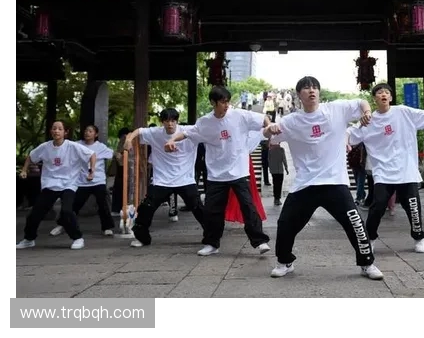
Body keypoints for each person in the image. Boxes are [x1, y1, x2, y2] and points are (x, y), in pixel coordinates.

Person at [264, 76, 383, 280]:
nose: (312, 90)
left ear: (319, 92)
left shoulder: (335, 110)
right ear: (298, 94)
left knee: (355, 223)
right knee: (285, 224)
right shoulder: (291, 121)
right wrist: (270, 129)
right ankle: (284, 261)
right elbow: (270, 138)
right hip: (305, 184)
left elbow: (361, 102)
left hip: (335, 182)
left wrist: (367, 112)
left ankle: (367, 263)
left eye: (315, 87)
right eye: (306, 88)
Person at [165, 86, 271, 256]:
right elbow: (187, 133)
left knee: (248, 206)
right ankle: (211, 244)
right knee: (212, 211)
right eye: (222, 102)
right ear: (213, 103)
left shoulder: (239, 115)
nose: (226, 105)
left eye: (227, 101)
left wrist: (270, 126)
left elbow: (262, 118)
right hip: (216, 174)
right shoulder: (205, 122)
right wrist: (172, 140)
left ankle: (260, 241)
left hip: (239, 171)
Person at [347, 83, 424, 253]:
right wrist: (346, 142)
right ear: (374, 99)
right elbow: (349, 134)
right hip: (383, 172)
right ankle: (370, 238)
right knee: (377, 206)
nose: (383, 94)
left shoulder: (403, 112)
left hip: (406, 170)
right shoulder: (368, 121)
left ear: (390, 97)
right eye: (379, 92)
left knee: (413, 206)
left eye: (386, 92)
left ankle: (418, 237)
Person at [123, 108, 205, 247]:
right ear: (162, 122)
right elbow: (138, 131)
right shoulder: (156, 133)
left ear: (177, 121)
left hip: (185, 179)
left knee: (198, 208)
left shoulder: (188, 130)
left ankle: (211, 236)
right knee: (146, 208)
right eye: (166, 121)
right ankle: (142, 238)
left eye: (173, 121)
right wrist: (128, 140)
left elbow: (206, 130)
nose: (170, 124)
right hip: (162, 180)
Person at [17, 120, 95, 250]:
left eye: (59, 129)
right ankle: (29, 239)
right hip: (50, 183)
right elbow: (31, 156)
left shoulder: (72, 146)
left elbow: (92, 155)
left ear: (65, 132)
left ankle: (77, 238)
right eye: (54, 128)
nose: (56, 131)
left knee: (66, 211)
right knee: (34, 213)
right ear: (51, 131)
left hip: (68, 183)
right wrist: (24, 170)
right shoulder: (45, 147)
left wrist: (91, 171)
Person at [50, 124, 115, 237]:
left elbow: (113, 154)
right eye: (86, 131)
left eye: (90, 131)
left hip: (98, 180)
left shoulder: (101, 147)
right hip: (81, 181)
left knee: (103, 204)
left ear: (96, 134)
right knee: (73, 204)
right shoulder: (77, 145)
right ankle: (62, 225)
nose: (87, 133)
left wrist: (121, 153)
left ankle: (107, 227)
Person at [225, 130, 267, 222]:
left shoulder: (246, 133)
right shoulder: (251, 134)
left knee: (241, 187)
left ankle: (241, 211)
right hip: (242, 159)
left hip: (240, 160)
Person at [268, 140, 289, 206]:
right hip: (280, 170)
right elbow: (284, 159)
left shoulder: (270, 151)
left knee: (275, 184)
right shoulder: (281, 150)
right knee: (279, 185)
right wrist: (286, 168)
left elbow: (269, 160)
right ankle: (278, 199)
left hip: (273, 170)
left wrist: (270, 169)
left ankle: (275, 198)